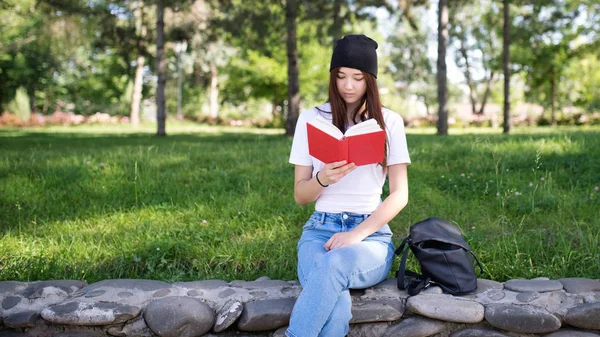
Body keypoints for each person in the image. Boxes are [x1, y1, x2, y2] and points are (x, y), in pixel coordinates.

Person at [286, 34, 411, 337]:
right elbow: (300, 196)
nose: (348, 85)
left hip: (370, 238)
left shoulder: (389, 122)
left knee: (335, 265)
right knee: (336, 298)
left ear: (371, 80)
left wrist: (355, 235)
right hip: (319, 232)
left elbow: (400, 195)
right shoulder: (311, 119)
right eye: (341, 76)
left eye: (357, 77)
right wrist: (321, 179)